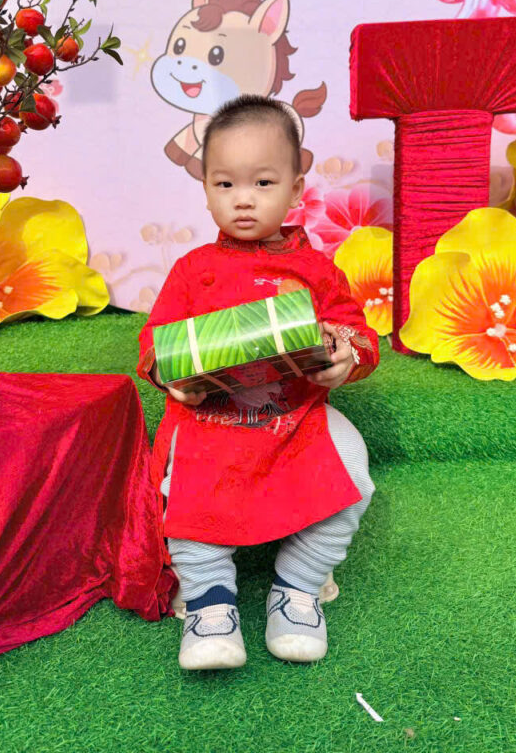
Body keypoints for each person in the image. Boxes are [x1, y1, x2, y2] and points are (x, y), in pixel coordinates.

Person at [137, 94, 379, 671]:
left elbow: (359, 333)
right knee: (183, 484)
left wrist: (345, 356)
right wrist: (173, 377)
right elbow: (154, 343)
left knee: (351, 464)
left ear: (296, 190)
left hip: (294, 419)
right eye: (224, 184)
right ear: (205, 191)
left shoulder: (316, 269)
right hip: (211, 419)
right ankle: (209, 602)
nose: (242, 198)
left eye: (263, 183)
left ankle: (297, 587)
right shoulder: (193, 269)